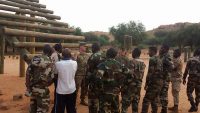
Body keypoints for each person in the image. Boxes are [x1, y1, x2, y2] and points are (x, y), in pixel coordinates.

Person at [96, 48, 129, 113]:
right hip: (115, 93)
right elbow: (128, 73)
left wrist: (100, 89)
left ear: (107, 55)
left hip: (105, 93)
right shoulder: (120, 65)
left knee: (104, 110)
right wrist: (121, 86)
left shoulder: (103, 65)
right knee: (115, 110)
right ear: (115, 55)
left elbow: (98, 79)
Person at [28, 44, 54, 113]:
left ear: (43, 50)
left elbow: (28, 73)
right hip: (43, 90)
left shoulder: (35, 58)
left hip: (33, 88)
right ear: (50, 52)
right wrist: (46, 84)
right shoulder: (50, 62)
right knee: (43, 109)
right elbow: (51, 77)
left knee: (33, 108)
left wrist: (28, 86)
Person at [121, 48, 146, 113]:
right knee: (135, 103)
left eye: (132, 52)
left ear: (135, 53)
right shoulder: (143, 63)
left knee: (125, 104)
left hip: (130, 85)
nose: (132, 53)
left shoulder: (132, 62)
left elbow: (129, 74)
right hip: (138, 85)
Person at [54, 48, 77, 113]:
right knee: (71, 108)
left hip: (61, 90)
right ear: (70, 55)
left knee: (59, 110)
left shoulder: (58, 64)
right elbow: (73, 59)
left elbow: (55, 74)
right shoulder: (75, 63)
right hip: (72, 89)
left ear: (62, 55)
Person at [141, 46, 163, 113]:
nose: (148, 52)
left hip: (154, 82)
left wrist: (146, 83)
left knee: (146, 100)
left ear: (153, 51)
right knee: (154, 99)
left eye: (149, 51)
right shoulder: (159, 59)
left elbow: (150, 73)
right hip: (160, 82)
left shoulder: (152, 59)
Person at [85, 42, 105, 113]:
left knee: (93, 105)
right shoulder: (105, 56)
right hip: (103, 84)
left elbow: (88, 72)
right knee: (102, 103)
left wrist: (86, 83)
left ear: (93, 48)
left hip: (94, 85)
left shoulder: (92, 57)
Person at [159, 44, 174, 113]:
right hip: (163, 77)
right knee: (162, 93)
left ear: (165, 49)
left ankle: (164, 109)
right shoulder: (164, 56)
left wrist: (166, 73)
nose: (160, 49)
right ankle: (163, 108)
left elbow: (171, 66)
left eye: (161, 48)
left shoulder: (166, 56)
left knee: (164, 93)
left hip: (165, 78)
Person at [51, 44, 62, 113]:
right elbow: (56, 66)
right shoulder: (56, 55)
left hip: (55, 75)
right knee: (57, 91)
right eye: (61, 48)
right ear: (59, 48)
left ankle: (56, 107)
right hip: (56, 75)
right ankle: (55, 108)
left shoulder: (54, 55)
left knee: (57, 90)